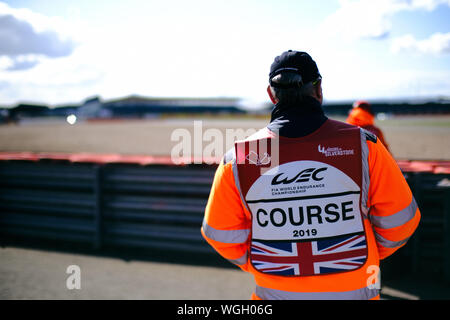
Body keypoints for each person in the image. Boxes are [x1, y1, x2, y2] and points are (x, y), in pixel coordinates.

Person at [201, 50, 420, 300]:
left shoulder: (239, 158)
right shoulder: (365, 145)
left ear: (271, 95)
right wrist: (364, 253)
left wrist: (264, 263)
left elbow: (219, 232)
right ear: (319, 90)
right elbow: (401, 222)